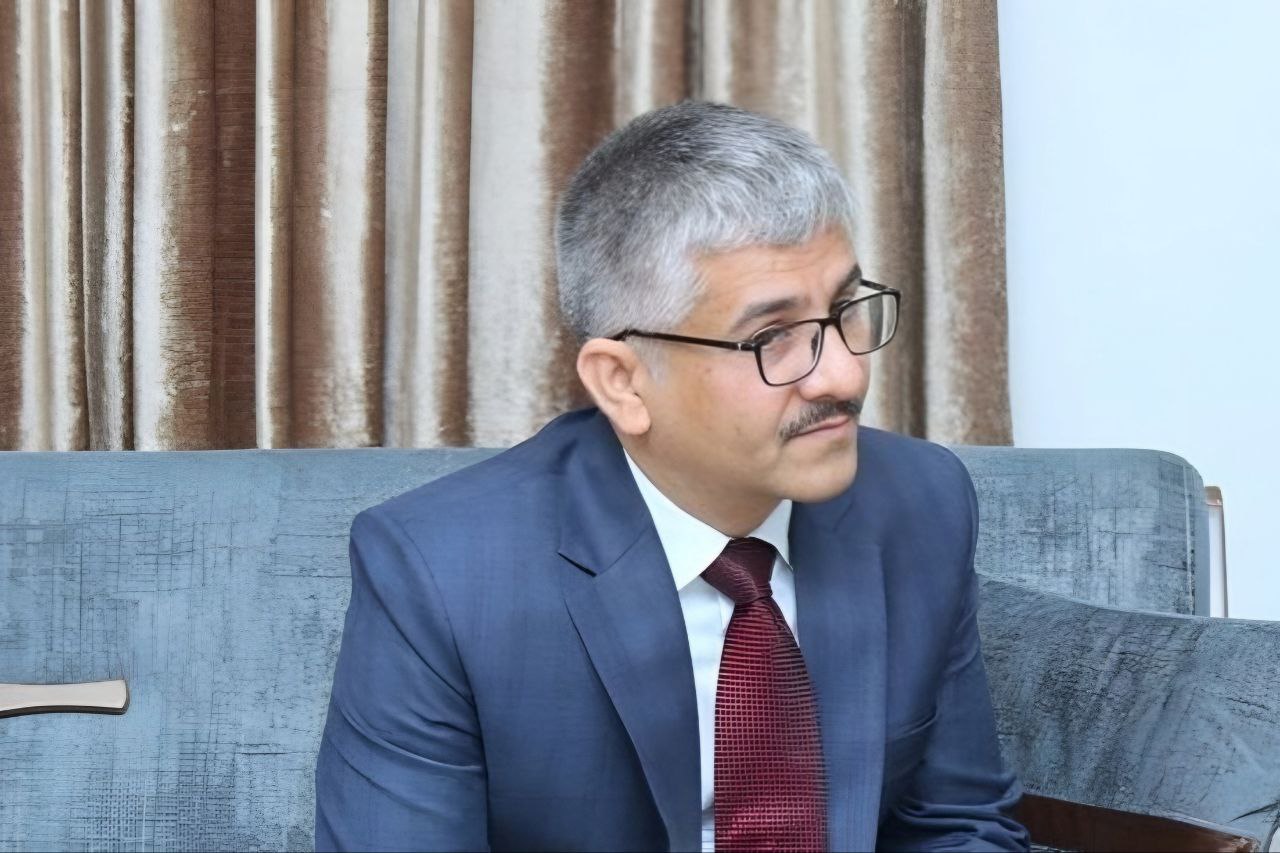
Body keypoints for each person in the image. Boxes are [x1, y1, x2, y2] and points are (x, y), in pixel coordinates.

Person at [314, 101, 1029, 853]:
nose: (846, 375)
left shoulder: (920, 503)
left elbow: (958, 825)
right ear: (622, 382)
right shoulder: (441, 573)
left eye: (846, 308)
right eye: (772, 337)